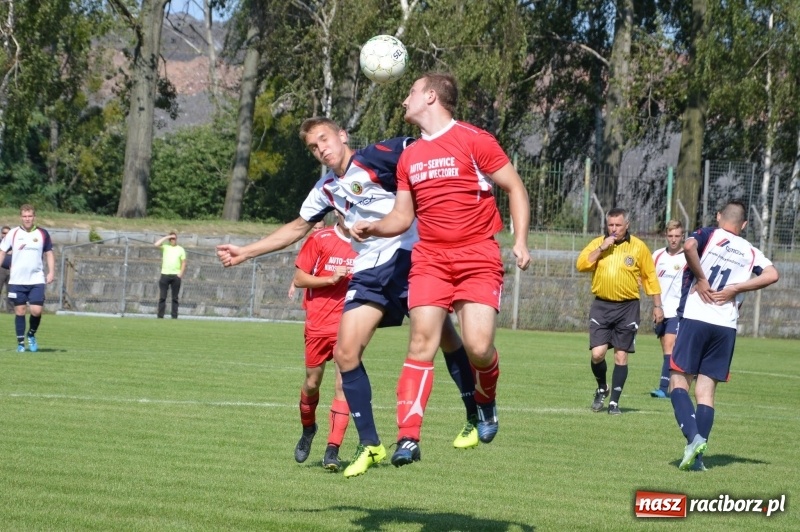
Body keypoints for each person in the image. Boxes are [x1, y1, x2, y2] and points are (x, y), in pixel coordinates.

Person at [217, 116, 479, 479]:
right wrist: (246, 252)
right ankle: (370, 443)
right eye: (313, 146)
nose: (321, 149)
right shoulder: (326, 188)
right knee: (345, 353)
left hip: (409, 255)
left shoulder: (377, 156)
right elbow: (297, 227)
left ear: (342, 135)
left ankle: (475, 412)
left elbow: (425, 147)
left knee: (444, 336)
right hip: (369, 268)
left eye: (324, 139)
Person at [352, 71, 531, 468]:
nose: (405, 100)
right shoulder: (409, 156)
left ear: (431, 96)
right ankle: (408, 438)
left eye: (411, 92)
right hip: (430, 260)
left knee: (478, 348)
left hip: (477, 256)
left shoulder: (474, 139)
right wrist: (373, 227)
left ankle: (486, 401)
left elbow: (515, 188)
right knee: (421, 343)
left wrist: (520, 240)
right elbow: (402, 217)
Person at [669, 201, 779, 471]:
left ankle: (693, 438)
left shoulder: (709, 234)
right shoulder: (750, 251)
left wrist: (701, 278)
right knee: (706, 393)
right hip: (726, 325)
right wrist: (737, 288)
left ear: (719, 216)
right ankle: (697, 461)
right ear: (744, 224)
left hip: (696, 317)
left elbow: (688, 247)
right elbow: (772, 275)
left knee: (678, 383)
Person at [576, 207, 663, 415]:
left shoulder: (639, 247)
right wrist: (601, 248)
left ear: (627, 225)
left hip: (627, 307)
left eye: (618, 225)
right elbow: (581, 265)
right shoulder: (598, 243)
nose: (614, 229)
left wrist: (657, 305)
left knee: (621, 356)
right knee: (597, 354)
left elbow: (650, 277)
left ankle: (614, 403)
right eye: (611, 225)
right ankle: (602, 387)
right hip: (602, 306)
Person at [292, 213, 356, 472]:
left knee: (343, 386)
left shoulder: (368, 243)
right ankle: (308, 429)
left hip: (349, 325)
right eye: (345, 209)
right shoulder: (320, 238)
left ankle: (333, 450)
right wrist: (330, 279)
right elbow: (299, 279)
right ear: (338, 212)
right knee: (312, 383)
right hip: (318, 324)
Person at [0, 205, 56, 352]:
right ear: (21, 217)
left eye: (30, 216)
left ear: (34, 217)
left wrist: (51, 272)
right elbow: (2, 251)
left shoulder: (42, 233)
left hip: (36, 279)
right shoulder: (13, 233)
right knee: (20, 311)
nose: (27, 219)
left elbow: (49, 253)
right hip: (17, 280)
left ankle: (31, 334)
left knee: (36, 311)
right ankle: (20, 344)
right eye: (24, 216)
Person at [650, 220, 687, 399]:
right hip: (660, 311)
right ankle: (677, 384)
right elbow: (649, 280)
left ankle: (663, 388)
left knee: (669, 347)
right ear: (666, 235)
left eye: (677, 236)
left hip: (678, 311)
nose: (673, 239)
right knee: (667, 351)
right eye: (670, 236)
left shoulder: (688, 257)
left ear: (682, 236)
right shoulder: (657, 256)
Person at [288, 219, 326, 300]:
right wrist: (293, 284)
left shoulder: (330, 242)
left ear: (325, 227)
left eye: (320, 228)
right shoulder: (307, 243)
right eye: (315, 228)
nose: (317, 230)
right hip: (311, 282)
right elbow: (301, 266)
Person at [154, 232, 186, 319]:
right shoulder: (165, 247)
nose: (173, 240)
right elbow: (156, 244)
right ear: (169, 240)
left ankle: (174, 316)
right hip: (165, 274)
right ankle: (160, 316)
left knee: (175, 298)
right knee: (162, 297)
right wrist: (167, 237)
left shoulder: (180, 249)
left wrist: (180, 274)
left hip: (176, 276)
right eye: (171, 239)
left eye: (174, 238)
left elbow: (183, 262)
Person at [0, 226, 14, 312]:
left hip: (12, 270)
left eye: (8, 233)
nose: (5, 235)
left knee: (11, 291)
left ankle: (10, 310)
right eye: (4, 233)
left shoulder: (14, 244)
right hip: (1, 269)